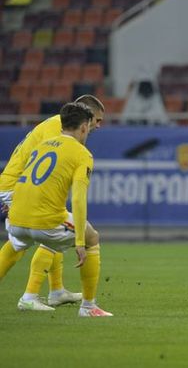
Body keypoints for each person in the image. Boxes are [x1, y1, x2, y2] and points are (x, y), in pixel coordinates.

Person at [4, 102, 112, 317]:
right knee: (90, 237)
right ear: (83, 127)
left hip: (15, 219)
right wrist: (80, 241)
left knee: (50, 232)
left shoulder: (43, 143)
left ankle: (52, 291)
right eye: (94, 123)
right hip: (40, 219)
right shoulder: (81, 153)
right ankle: (89, 307)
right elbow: (79, 200)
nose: (94, 128)